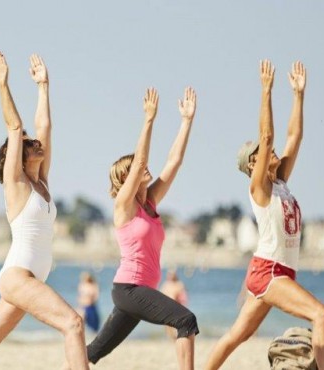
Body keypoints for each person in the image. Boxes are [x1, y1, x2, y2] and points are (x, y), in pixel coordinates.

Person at [0, 51, 88, 370]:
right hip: (17, 277)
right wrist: (4, 84)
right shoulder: (16, 184)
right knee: (73, 324)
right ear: (17, 155)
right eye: (30, 144)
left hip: (28, 277)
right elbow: (16, 127)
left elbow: (45, 126)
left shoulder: (42, 183)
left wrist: (43, 87)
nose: (36, 143)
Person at [204, 60, 324, 370]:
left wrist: (299, 95)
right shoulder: (259, 187)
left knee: (236, 335)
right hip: (269, 272)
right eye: (262, 152)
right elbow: (268, 136)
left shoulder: (281, 183)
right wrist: (266, 91)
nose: (271, 151)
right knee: (321, 315)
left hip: (279, 272)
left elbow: (294, 136)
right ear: (253, 164)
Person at [84, 87, 199, 370]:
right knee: (185, 320)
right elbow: (140, 165)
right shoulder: (124, 205)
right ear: (126, 178)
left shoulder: (150, 203)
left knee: (93, 351)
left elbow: (174, 162)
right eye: (134, 167)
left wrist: (186, 122)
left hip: (138, 291)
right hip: (130, 288)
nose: (143, 167)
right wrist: (148, 120)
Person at [160, 269, 189, 339]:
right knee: (168, 325)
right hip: (167, 306)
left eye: (172, 274)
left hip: (177, 306)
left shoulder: (179, 284)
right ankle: (171, 338)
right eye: (169, 274)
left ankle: (177, 337)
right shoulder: (166, 284)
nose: (170, 276)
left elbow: (184, 297)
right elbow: (161, 295)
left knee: (175, 324)